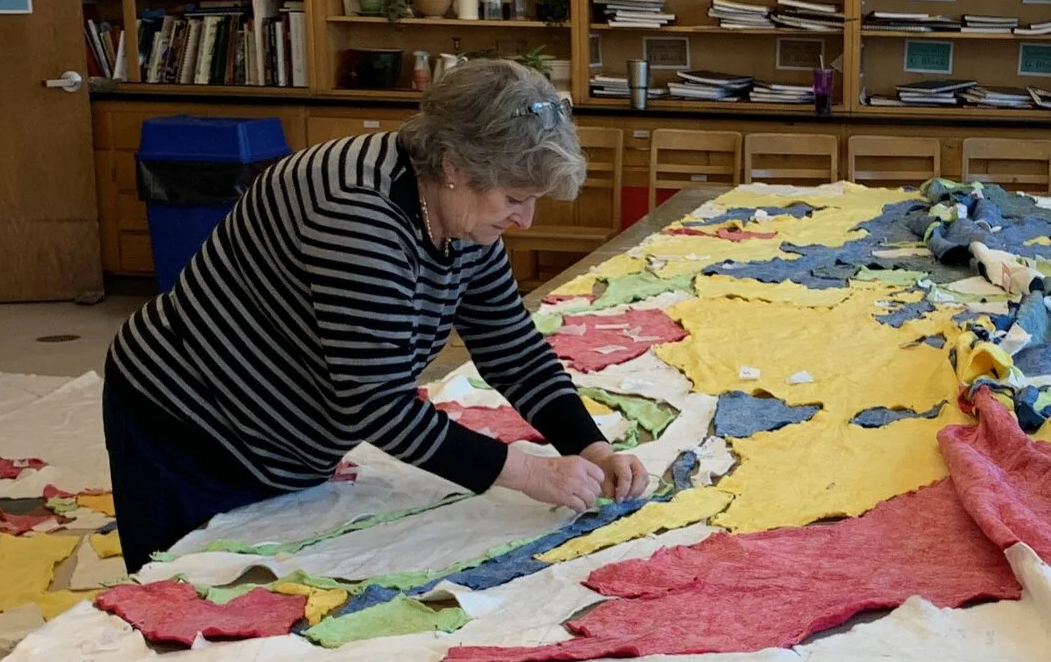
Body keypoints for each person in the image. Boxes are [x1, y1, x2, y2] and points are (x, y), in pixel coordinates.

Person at [100, 59, 648, 570]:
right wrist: (527, 471)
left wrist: (589, 445)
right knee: (182, 598)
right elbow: (376, 402)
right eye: (514, 198)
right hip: (187, 425)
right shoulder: (356, 212)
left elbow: (512, 348)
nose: (525, 219)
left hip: (280, 431)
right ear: (456, 166)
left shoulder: (457, 208)